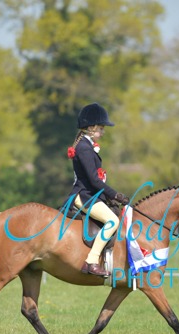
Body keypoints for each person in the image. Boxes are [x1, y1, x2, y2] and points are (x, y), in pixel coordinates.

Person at [66, 103, 130, 277]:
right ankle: (91, 261)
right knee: (112, 221)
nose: (103, 132)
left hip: (91, 194)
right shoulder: (84, 148)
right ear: (91, 127)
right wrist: (115, 194)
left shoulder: (86, 145)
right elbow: (94, 180)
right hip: (84, 195)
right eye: (101, 128)